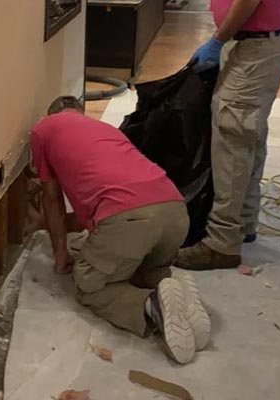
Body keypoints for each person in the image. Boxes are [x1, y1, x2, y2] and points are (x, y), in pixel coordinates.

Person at [30, 96, 210, 364]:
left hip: (128, 219)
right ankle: (172, 286)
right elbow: (86, 217)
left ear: (52, 112)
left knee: (90, 285)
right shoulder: (106, 131)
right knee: (139, 267)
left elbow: (52, 198)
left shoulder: (43, 129)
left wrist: (61, 256)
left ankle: (150, 305)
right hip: (173, 210)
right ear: (80, 112)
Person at [177, 0, 280, 270]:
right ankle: (244, 220)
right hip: (251, 42)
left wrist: (218, 40)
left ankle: (222, 243)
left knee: (232, 140)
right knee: (247, 132)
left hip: (256, 47)